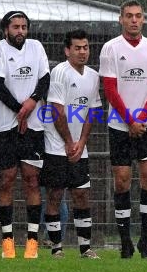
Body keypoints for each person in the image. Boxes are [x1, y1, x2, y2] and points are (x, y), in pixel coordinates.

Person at [99, 0, 147, 259]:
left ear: (144, 20)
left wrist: (141, 117)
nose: (134, 20)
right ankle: (125, 241)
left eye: (138, 16)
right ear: (121, 19)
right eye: (128, 16)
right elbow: (110, 89)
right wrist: (129, 120)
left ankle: (146, 241)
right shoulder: (110, 49)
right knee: (122, 181)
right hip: (120, 125)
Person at [0, 11, 50, 259]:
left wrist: (32, 103)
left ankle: (32, 242)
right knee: (7, 179)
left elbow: (45, 79)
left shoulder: (36, 47)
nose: (20, 31)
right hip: (6, 126)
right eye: (16, 27)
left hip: (33, 125)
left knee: (32, 180)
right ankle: (7, 241)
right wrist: (19, 110)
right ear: (6, 30)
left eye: (24, 27)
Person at [41, 29, 102, 259]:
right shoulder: (60, 73)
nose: (82, 52)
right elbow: (56, 110)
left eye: (85, 47)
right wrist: (68, 142)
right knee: (55, 195)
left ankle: (85, 248)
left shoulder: (93, 76)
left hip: (79, 148)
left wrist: (82, 142)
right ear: (67, 50)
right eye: (77, 48)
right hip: (56, 146)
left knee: (81, 195)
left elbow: (93, 112)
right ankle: (56, 248)